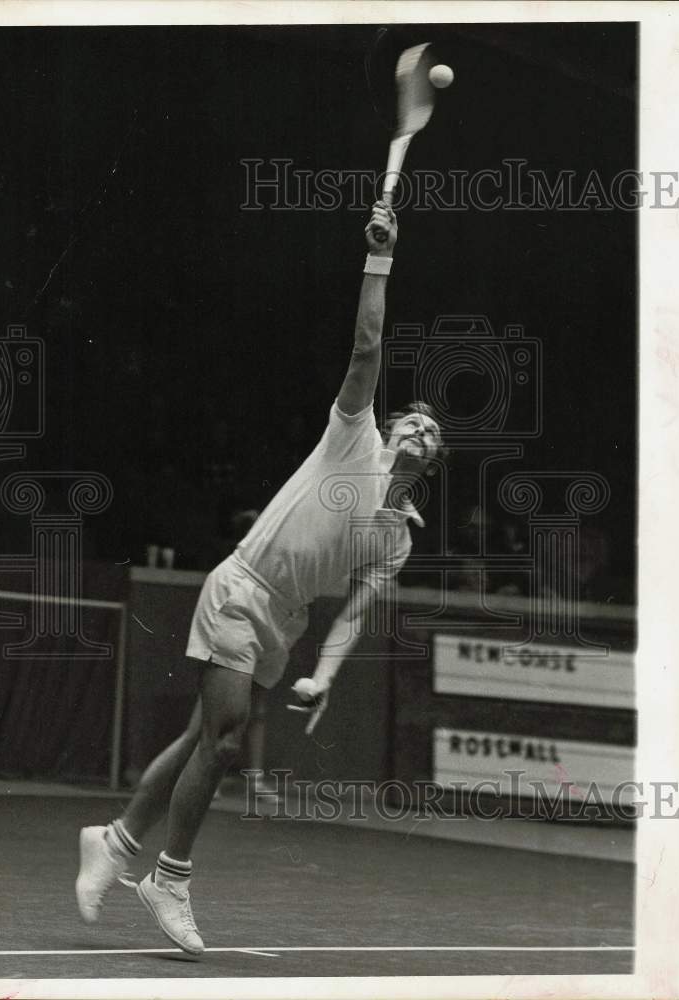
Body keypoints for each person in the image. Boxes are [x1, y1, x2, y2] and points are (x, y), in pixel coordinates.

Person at [75, 202, 444, 955]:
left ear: (430, 465)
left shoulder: (397, 541)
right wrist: (381, 258)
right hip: (241, 589)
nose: (416, 431)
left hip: (286, 621)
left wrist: (327, 676)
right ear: (392, 430)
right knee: (227, 740)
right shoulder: (353, 440)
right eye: (410, 422)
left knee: (201, 737)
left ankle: (112, 842)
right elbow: (368, 345)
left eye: (430, 437)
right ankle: (167, 878)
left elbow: (351, 616)